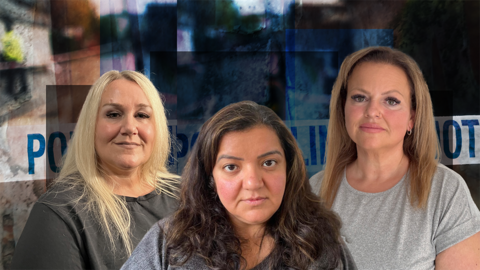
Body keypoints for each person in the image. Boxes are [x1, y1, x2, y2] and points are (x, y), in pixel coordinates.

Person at [121, 101, 356, 270]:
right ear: (209, 177)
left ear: (289, 168)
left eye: (269, 162)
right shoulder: (169, 242)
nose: (253, 182)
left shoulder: (322, 246)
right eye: (232, 167)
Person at [310, 46, 480, 269]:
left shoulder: (444, 191)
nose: (372, 111)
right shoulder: (314, 191)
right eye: (360, 97)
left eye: (391, 100)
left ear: (412, 117)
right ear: (343, 108)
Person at [11, 70, 179, 270]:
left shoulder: (189, 195)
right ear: (91, 126)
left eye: (142, 115)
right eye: (113, 114)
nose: (129, 127)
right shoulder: (58, 213)